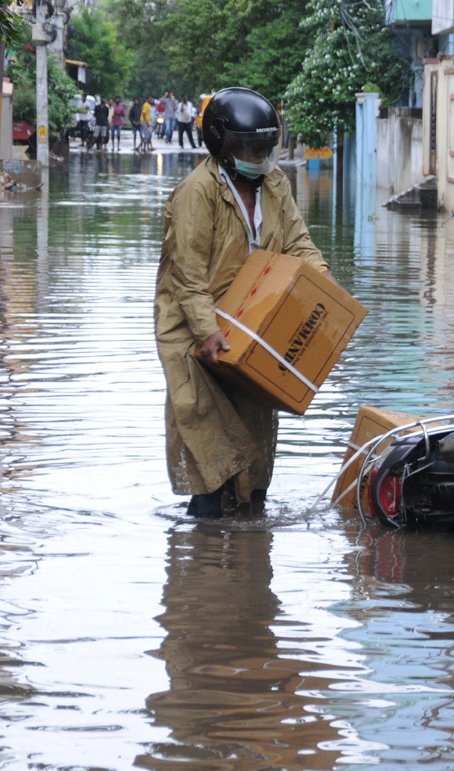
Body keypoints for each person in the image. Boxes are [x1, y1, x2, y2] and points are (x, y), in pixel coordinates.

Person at [154, 87, 334, 518]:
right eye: (247, 147)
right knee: (210, 452)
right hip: (194, 333)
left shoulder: (274, 184)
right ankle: (205, 563)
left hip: (250, 327)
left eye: (264, 147)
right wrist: (205, 331)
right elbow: (188, 275)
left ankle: (250, 561)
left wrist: (324, 281)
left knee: (253, 454)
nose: (258, 155)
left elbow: (297, 243)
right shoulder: (197, 192)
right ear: (221, 144)